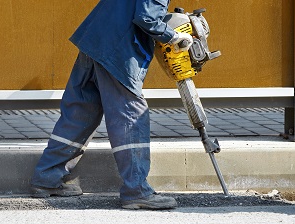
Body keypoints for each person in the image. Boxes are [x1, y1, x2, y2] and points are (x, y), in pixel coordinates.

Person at [30, 0, 193, 210]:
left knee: (80, 114)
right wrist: (174, 36)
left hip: (94, 42)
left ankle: (46, 178)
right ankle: (137, 191)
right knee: (131, 117)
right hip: (118, 51)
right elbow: (147, 18)